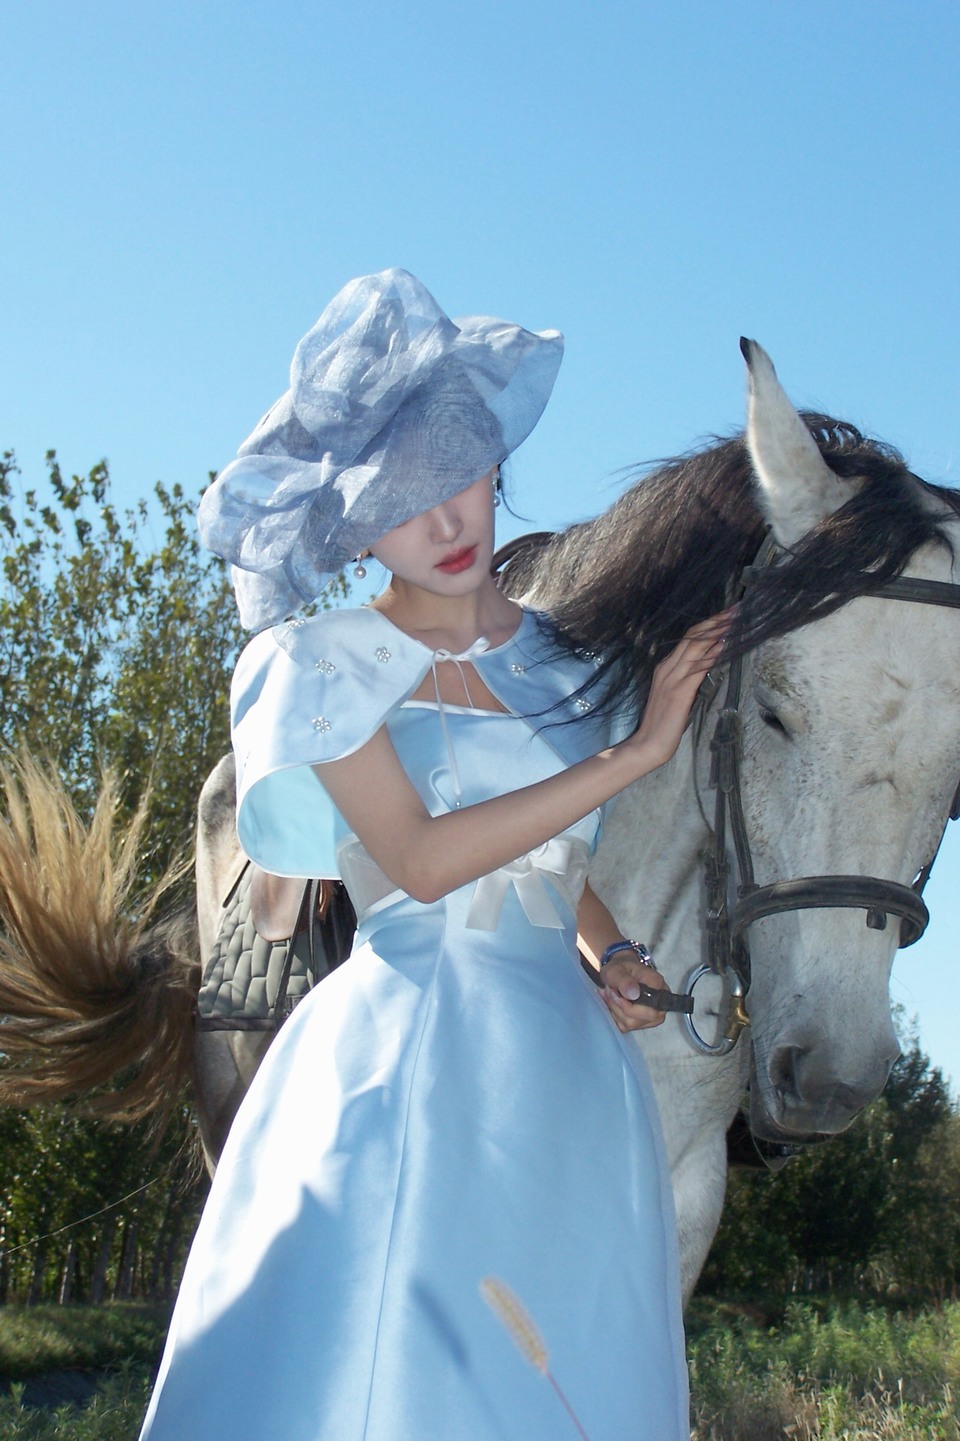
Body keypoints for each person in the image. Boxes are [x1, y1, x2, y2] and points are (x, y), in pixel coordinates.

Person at [139, 268, 724, 1441]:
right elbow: (418, 861)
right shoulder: (318, 665)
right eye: (403, 503)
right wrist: (638, 752)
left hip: (568, 1078)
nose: (448, 524)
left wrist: (612, 952)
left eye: (459, 477)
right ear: (354, 526)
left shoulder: (568, 665)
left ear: (495, 463)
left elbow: (552, 861)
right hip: (403, 1052)